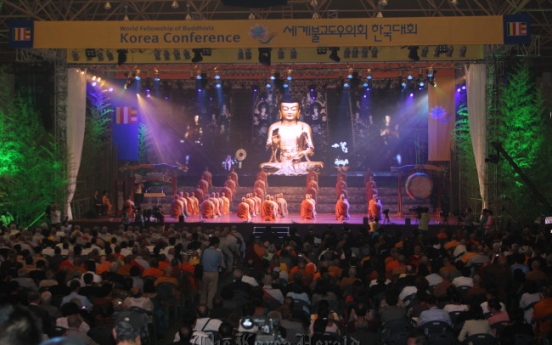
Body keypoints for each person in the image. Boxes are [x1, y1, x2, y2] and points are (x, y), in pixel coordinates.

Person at [260, 99, 323, 175]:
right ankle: (287, 170)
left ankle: (289, 170)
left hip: (298, 162)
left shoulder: (305, 127)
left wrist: (302, 153)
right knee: (263, 166)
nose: (289, 112)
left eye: (293, 109)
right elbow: (268, 148)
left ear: (298, 112)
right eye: (286, 109)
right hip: (281, 162)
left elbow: (311, 150)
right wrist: (271, 143)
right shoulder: (274, 127)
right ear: (280, 112)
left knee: (319, 166)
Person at [200, 236, 223, 310]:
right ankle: (209, 306)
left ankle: (202, 305)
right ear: (216, 244)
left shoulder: (204, 251)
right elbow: (219, 264)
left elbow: (201, 262)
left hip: (205, 273)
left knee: (203, 290)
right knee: (211, 291)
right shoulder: (218, 253)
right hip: (213, 273)